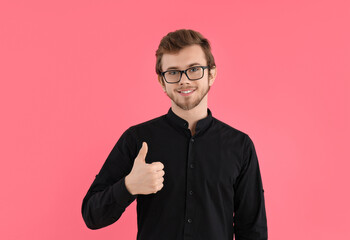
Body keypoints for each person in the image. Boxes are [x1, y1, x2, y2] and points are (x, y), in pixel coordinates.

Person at [81, 29, 268, 240]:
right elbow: (92, 215)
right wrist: (128, 186)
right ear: (162, 81)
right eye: (173, 72)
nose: (184, 80)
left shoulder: (240, 146)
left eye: (194, 69)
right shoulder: (137, 139)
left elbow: (253, 230)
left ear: (212, 74)